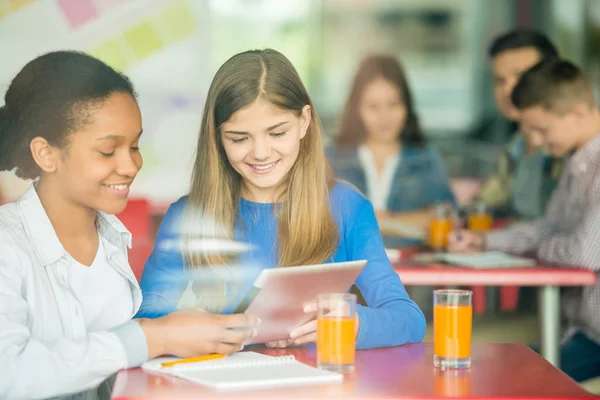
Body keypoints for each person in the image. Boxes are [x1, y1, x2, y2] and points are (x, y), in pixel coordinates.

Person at [0, 51, 257, 400]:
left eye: (134, 145)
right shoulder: (7, 245)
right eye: (108, 151)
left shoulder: (112, 239)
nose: (131, 165)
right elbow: (10, 373)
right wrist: (155, 336)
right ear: (46, 154)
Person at [136, 49, 426, 350]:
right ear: (218, 138)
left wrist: (354, 325)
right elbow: (146, 319)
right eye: (239, 138)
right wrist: (202, 329)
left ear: (303, 121)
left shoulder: (348, 207)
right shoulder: (189, 216)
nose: (261, 153)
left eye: (276, 133)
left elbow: (408, 318)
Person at [448, 59, 600, 383]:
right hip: (580, 331)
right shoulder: (578, 163)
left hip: (595, 340)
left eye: (542, 130)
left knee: (512, 379)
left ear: (578, 113)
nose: (539, 142)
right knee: (500, 371)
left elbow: (583, 253)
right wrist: (485, 241)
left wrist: (543, 247)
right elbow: (547, 226)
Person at [326, 54, 455, 247]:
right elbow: (321, 219)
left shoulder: (426, 158)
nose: (384, 117)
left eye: (393, 104)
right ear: (356, 109)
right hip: (348, 271)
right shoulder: (334, 158)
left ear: (407, 106)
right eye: (373, 107)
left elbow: (446, 216)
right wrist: (403, 222)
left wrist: (378, 220)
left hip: (415, 270)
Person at [476, 29, 562, 220]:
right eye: (500, 81)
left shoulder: (572, 146)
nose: (508, 89)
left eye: (520, 76)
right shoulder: (516, 147)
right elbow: (483, 205)